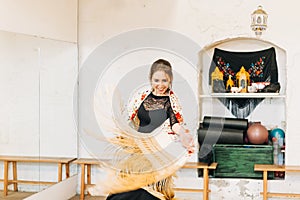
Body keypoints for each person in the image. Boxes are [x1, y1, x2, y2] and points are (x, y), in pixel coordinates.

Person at [106, 59, 194, 200]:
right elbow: (129, 118)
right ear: (150, 79)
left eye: (164, 81)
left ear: (170, 79)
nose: (160, 85)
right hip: (138, 149)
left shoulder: (171, 100)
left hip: (158, 151)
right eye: (156, 80)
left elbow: (175, 123)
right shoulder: (141, 96)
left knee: (152, 190)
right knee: (127, 186)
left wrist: (184, 134)